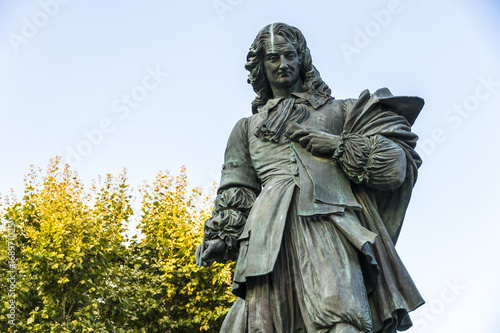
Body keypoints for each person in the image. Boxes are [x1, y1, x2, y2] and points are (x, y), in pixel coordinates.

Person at [195, 22, 424, 333]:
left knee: (342, 318)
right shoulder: (246, 128)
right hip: (266, 235)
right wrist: (221, 238)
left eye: (290, 55)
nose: (283, 64)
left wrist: (335, 146)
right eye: (273, 58)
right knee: (266, 325)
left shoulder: (341, 111)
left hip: (328, 222)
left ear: (302, 58)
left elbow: (393, 167)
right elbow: (238, 190)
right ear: (261, 65)